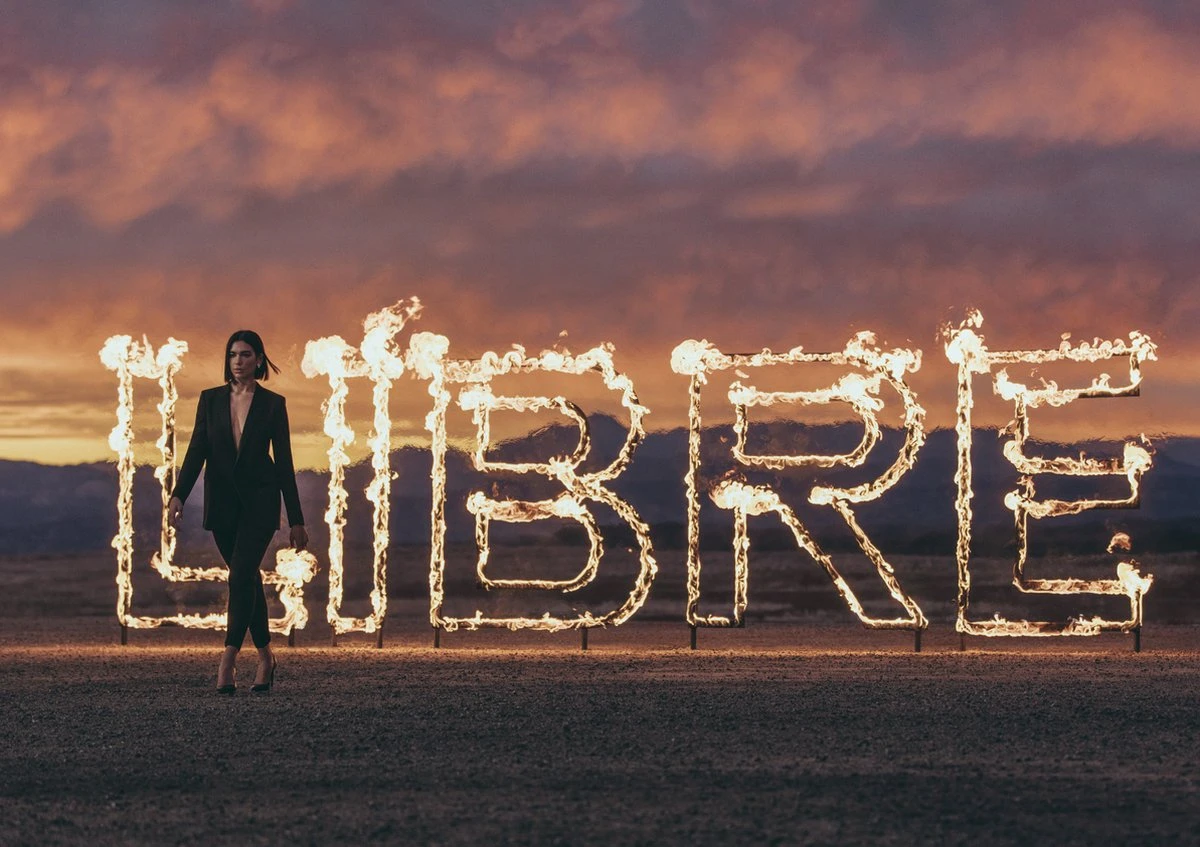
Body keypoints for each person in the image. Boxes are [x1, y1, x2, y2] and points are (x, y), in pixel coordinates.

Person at [168, 330, 308, 695]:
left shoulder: (273, 404)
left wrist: (296, 519)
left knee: (241, 574)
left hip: (261, 501)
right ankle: (265, 657)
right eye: (233, 354)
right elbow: (197, 450)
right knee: (246, 579)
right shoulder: (210, 399)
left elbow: (284, 462)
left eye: (246, 355)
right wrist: (179, 495)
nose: (238, 361)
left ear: (259, 359)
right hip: (223, 503)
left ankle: (227, 659)